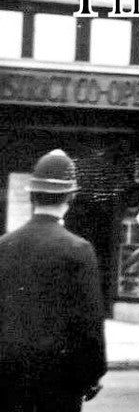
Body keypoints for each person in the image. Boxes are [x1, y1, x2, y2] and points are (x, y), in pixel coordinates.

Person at [0, 149, 106, 411]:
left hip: (7, 378)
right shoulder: (78, 249)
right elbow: (89, 324)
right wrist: (91, 376)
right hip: (59, 382)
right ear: (71, 196)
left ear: (32, 196)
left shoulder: (3, 245)